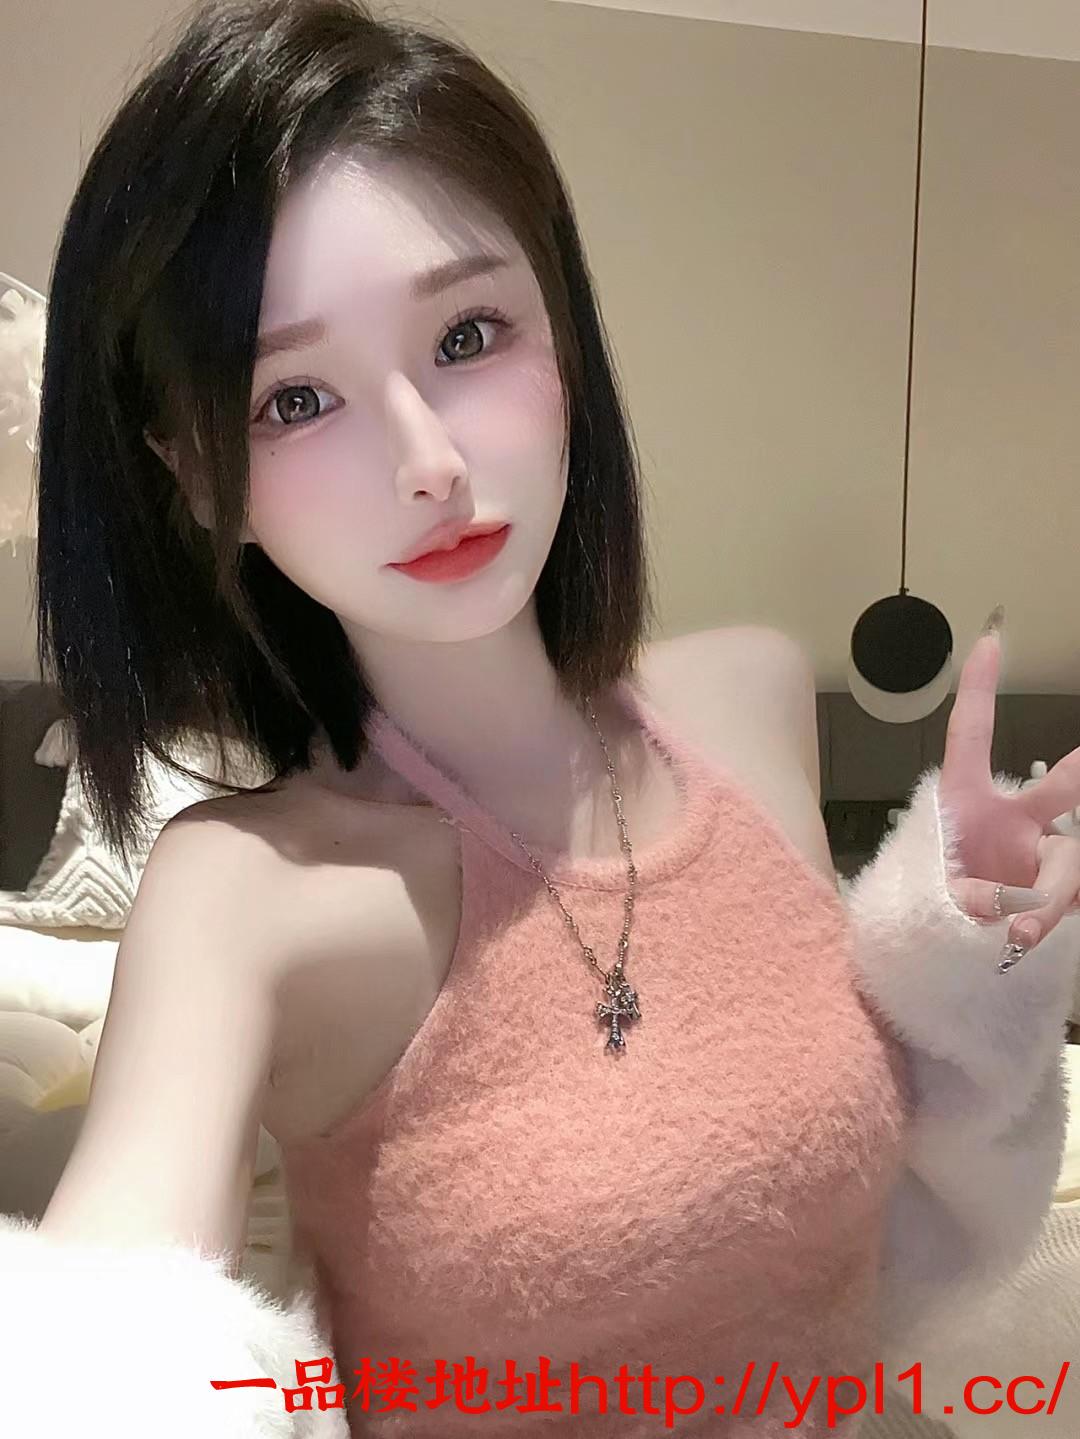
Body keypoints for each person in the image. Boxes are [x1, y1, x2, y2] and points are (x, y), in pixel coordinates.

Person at [2, 2, 1080, 1436]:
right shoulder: (249, 895)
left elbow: (880, 1197)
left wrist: (972, 959)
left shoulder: (748, 695)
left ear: (562, 335)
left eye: (468, 334)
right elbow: (113, 1350)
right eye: (296, 399)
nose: (428, 462)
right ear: (196, 475)